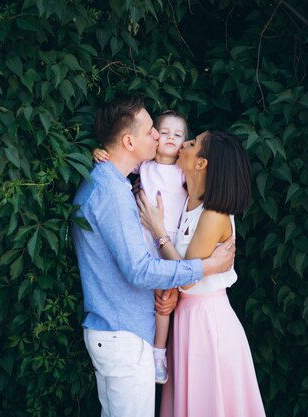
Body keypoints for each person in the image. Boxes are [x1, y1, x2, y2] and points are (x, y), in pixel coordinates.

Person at [71, 97, 236, 417]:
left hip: (124, 332)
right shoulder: (110, 192)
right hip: (123, 334)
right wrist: (206, 266)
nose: (159, 137)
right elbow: (140, 271)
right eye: (151, 132)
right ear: (129, 141)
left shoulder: (115, 183)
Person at [137, 130, 266, 417]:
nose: (183, 144)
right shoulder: (186, 200)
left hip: (208, 325)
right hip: (187, 319)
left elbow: (187, 274)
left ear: (201, 164)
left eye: (192, 144)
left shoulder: (214, 215)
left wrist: (158, 231)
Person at [92, 110, 189, 384]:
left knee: (164, 300)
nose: (169, 138)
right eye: (163, 132)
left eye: (178, 135)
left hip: (168, 241)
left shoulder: (183, 171)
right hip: (142, 237)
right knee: (145, 291)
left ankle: (159, 352)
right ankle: (148, 349)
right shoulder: (143, 166)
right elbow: (117, 158)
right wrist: (96, 152)